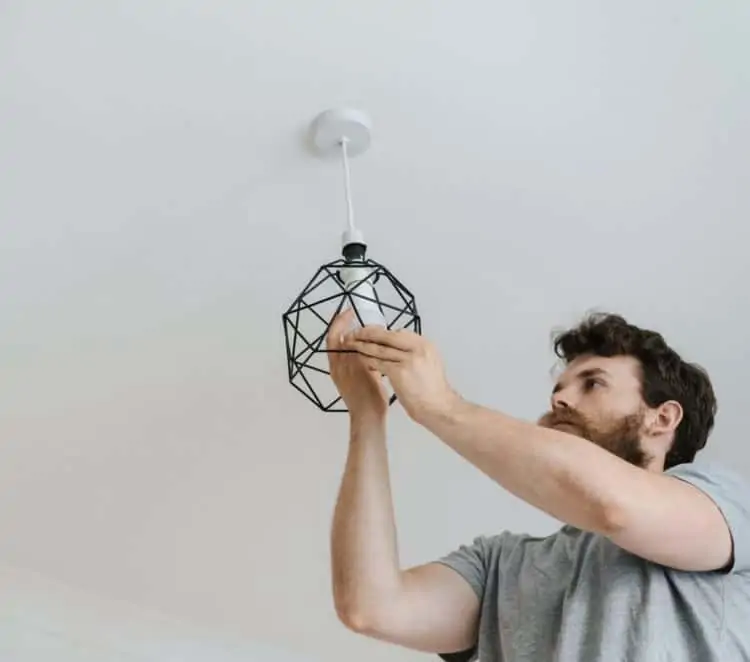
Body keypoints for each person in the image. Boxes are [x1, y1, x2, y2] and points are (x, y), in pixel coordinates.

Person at [326, 310, 750, 661]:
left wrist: (442, 407)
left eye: (593, 383)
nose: (560, 400)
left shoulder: (724, 500)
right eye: (559, 389)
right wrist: (367, 414)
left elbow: (611, 505)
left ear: (663, 418)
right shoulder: (500, 564)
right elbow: (372, 606)